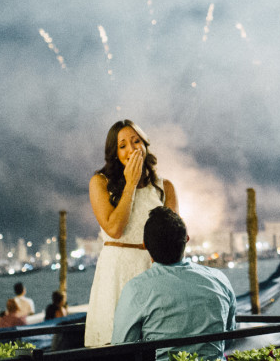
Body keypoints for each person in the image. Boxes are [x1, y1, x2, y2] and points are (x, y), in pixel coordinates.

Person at [84, 120, 179, 347]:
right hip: (116, 271)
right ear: (115, 152)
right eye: (123, 145)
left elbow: (174, 234)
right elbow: (114, 229)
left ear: (145, 146)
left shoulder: (165, 186)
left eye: (136, 141)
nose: (131, 149)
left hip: (154, 269)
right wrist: (130, 184)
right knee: (115, 343)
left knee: (157, 343)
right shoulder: (100, 182)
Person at [111, 207, 236, 361]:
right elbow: (229, 336)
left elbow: (122, 348)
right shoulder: (219, 279)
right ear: (187, 240)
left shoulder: (136, 288)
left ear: (144, 245)